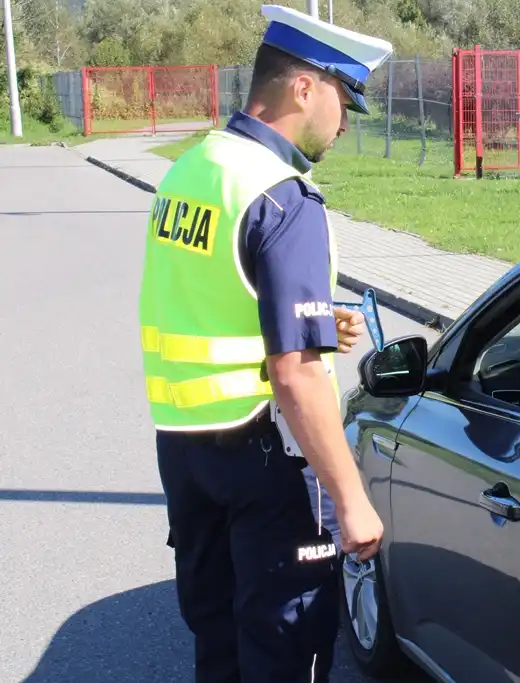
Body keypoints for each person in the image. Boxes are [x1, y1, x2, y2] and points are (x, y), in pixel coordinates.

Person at [136, 5, 394, 681]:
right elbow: (296, 376)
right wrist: (350, 498)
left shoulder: (190, 171)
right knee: (283, 653)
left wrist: (310, 326)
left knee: (216, 642)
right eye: (345, 101)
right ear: (304, 86)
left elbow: (207, 296)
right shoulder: (281, 197)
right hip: (266, 460)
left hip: (186, 445)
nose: (344, 124)